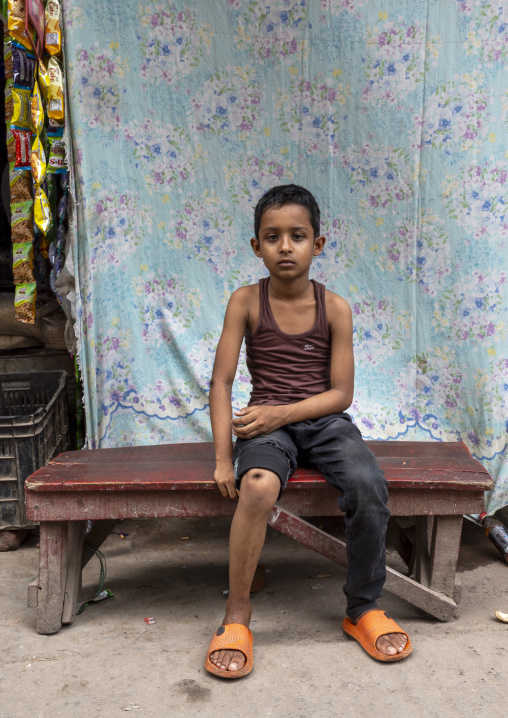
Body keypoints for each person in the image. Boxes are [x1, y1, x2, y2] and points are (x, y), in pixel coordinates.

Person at [205, 184, 412, 678]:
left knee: (368, 484)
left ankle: (363, 608)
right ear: (256, 247)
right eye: (272, 237)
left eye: (297, 236)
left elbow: (341, 394)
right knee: (257, 487)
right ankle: (237, 615)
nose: (285, 247)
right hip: (265, 424)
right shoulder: (245, 301)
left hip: (323, 422)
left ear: (317, 244)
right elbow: (221, 381)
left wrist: (282, 414)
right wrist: (220, 458)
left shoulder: (335, 308)